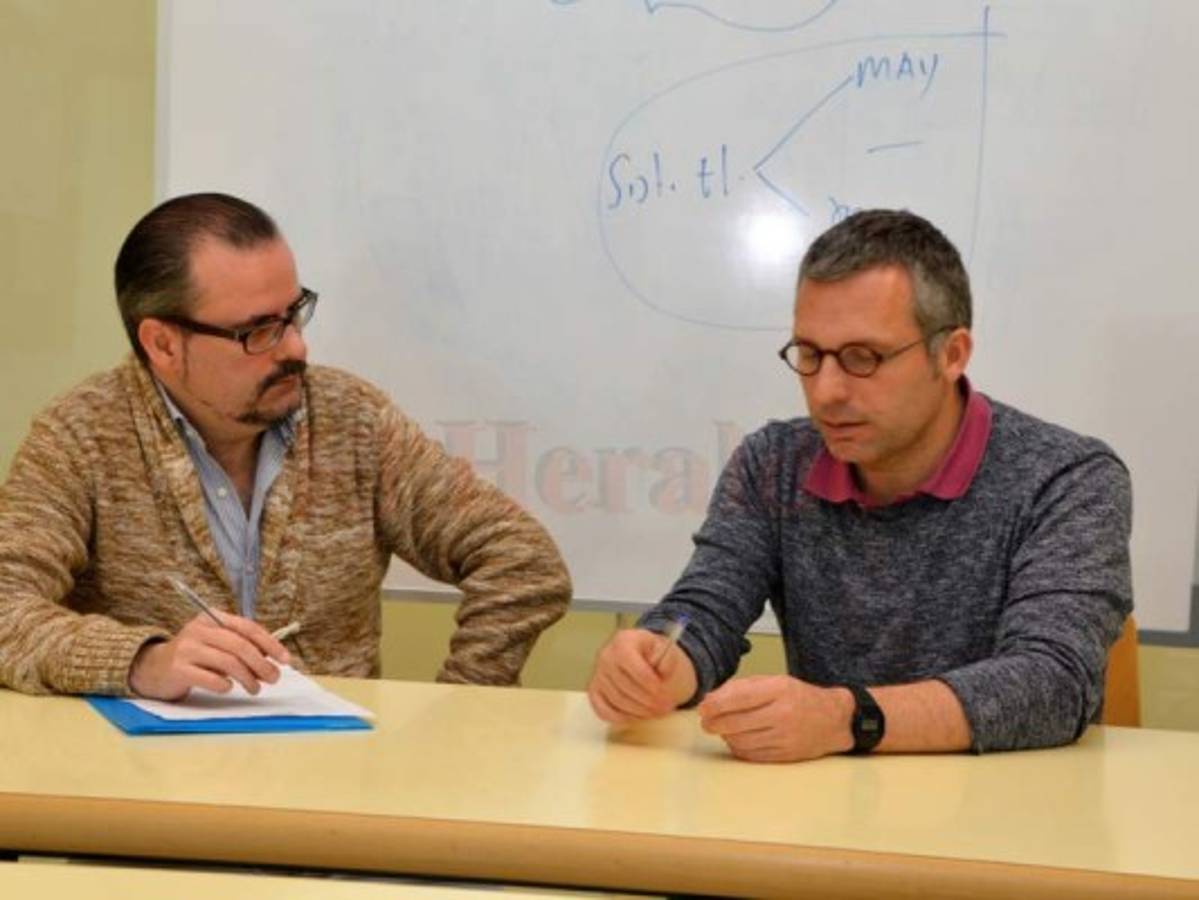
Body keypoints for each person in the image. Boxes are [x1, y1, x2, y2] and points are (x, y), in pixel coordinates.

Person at [587, 209, 1132, 762]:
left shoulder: (1067, 478)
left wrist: (848, 719)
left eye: (862, 358)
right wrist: (658, 658)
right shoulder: (772, 463)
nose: (826, 392)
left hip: (1005, 817)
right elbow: (703, 612)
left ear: (950, 354)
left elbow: (1055, 681)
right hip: (829, 818)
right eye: (809, 354)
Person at [0, 192, 570, 700]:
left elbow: (523, 562)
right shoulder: (81, 436)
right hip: (142, 792)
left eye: (294, 313)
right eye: (258, 331)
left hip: (326, 787)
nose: (295, 347)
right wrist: (144, 662)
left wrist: (461, 708)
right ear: (164, 344)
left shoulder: (352, 421)